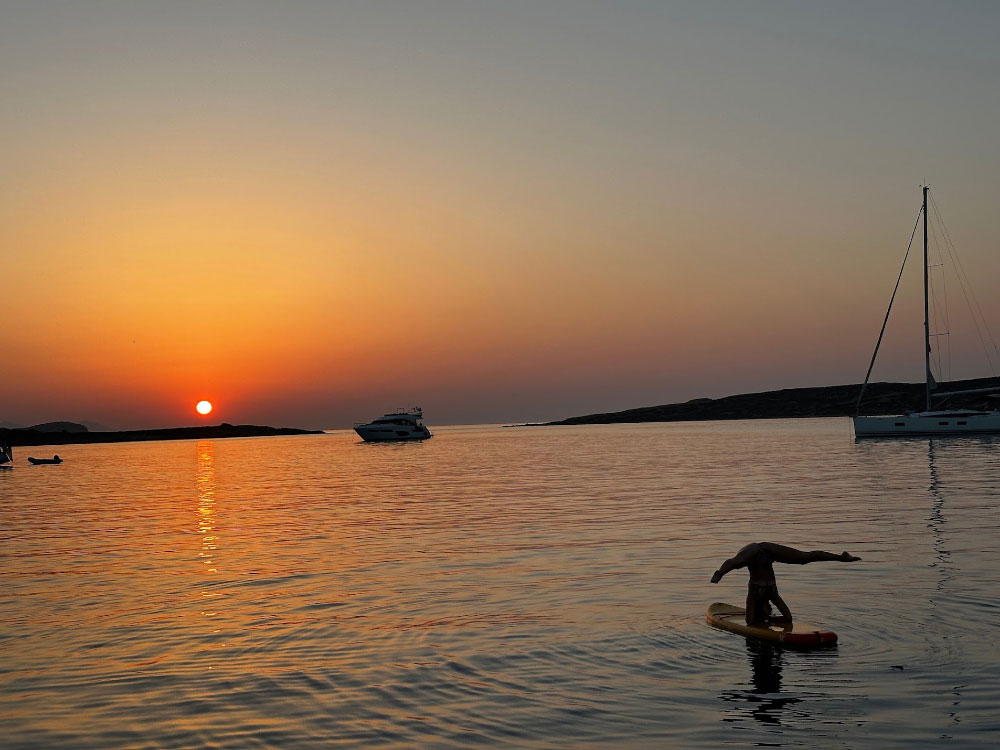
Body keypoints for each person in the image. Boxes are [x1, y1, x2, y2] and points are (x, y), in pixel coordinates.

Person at [710, 542, 861, 625]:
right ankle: (841, 558)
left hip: (753, 550)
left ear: (761, 609)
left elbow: (749, 622)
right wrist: (770, 621)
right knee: (803, 559)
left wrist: (721, 573)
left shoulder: (752, 598)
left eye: (767, 612)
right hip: (768, 551)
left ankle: (719, 572)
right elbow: (788, 618)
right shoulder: (773, 596)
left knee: (737, 562)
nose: (769, 611)